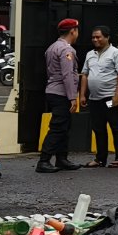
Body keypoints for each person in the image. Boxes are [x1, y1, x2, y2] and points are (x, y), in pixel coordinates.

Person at [81, 25, 118, 168]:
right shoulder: (90, 54)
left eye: (98, 37)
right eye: (93, 37)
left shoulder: (116, 53)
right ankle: (100, 159)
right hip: (94, 99)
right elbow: (85, 75)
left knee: (116, 127)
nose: (95, 40)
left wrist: (117, 96)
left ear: (107, 37)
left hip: (110, 98)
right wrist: (82, 95)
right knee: (98, 129)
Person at [38, 18, 82, 173]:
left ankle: (62, 159)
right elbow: (67, 74)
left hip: (52, 91)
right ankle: (44, 160)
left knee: (64, 127)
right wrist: (72, 97)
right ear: (73, 31)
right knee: (58, 128)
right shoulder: (66, 50)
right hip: (61, 93)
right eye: (77, 30)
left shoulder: (52, 47)